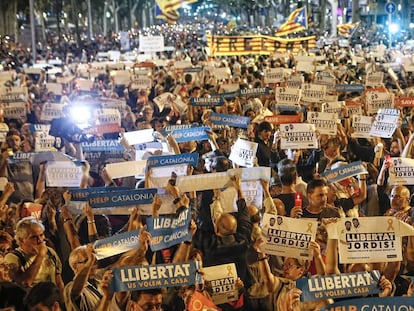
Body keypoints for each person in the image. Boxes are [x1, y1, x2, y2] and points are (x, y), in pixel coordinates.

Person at [4, 216, 64, 296]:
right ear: (21, 240)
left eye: (41, 235)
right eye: (34, 237)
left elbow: (59, 282)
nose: (40, 240)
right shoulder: (13, 257)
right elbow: (25, 282)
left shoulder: (50, 252)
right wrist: (40, 255)